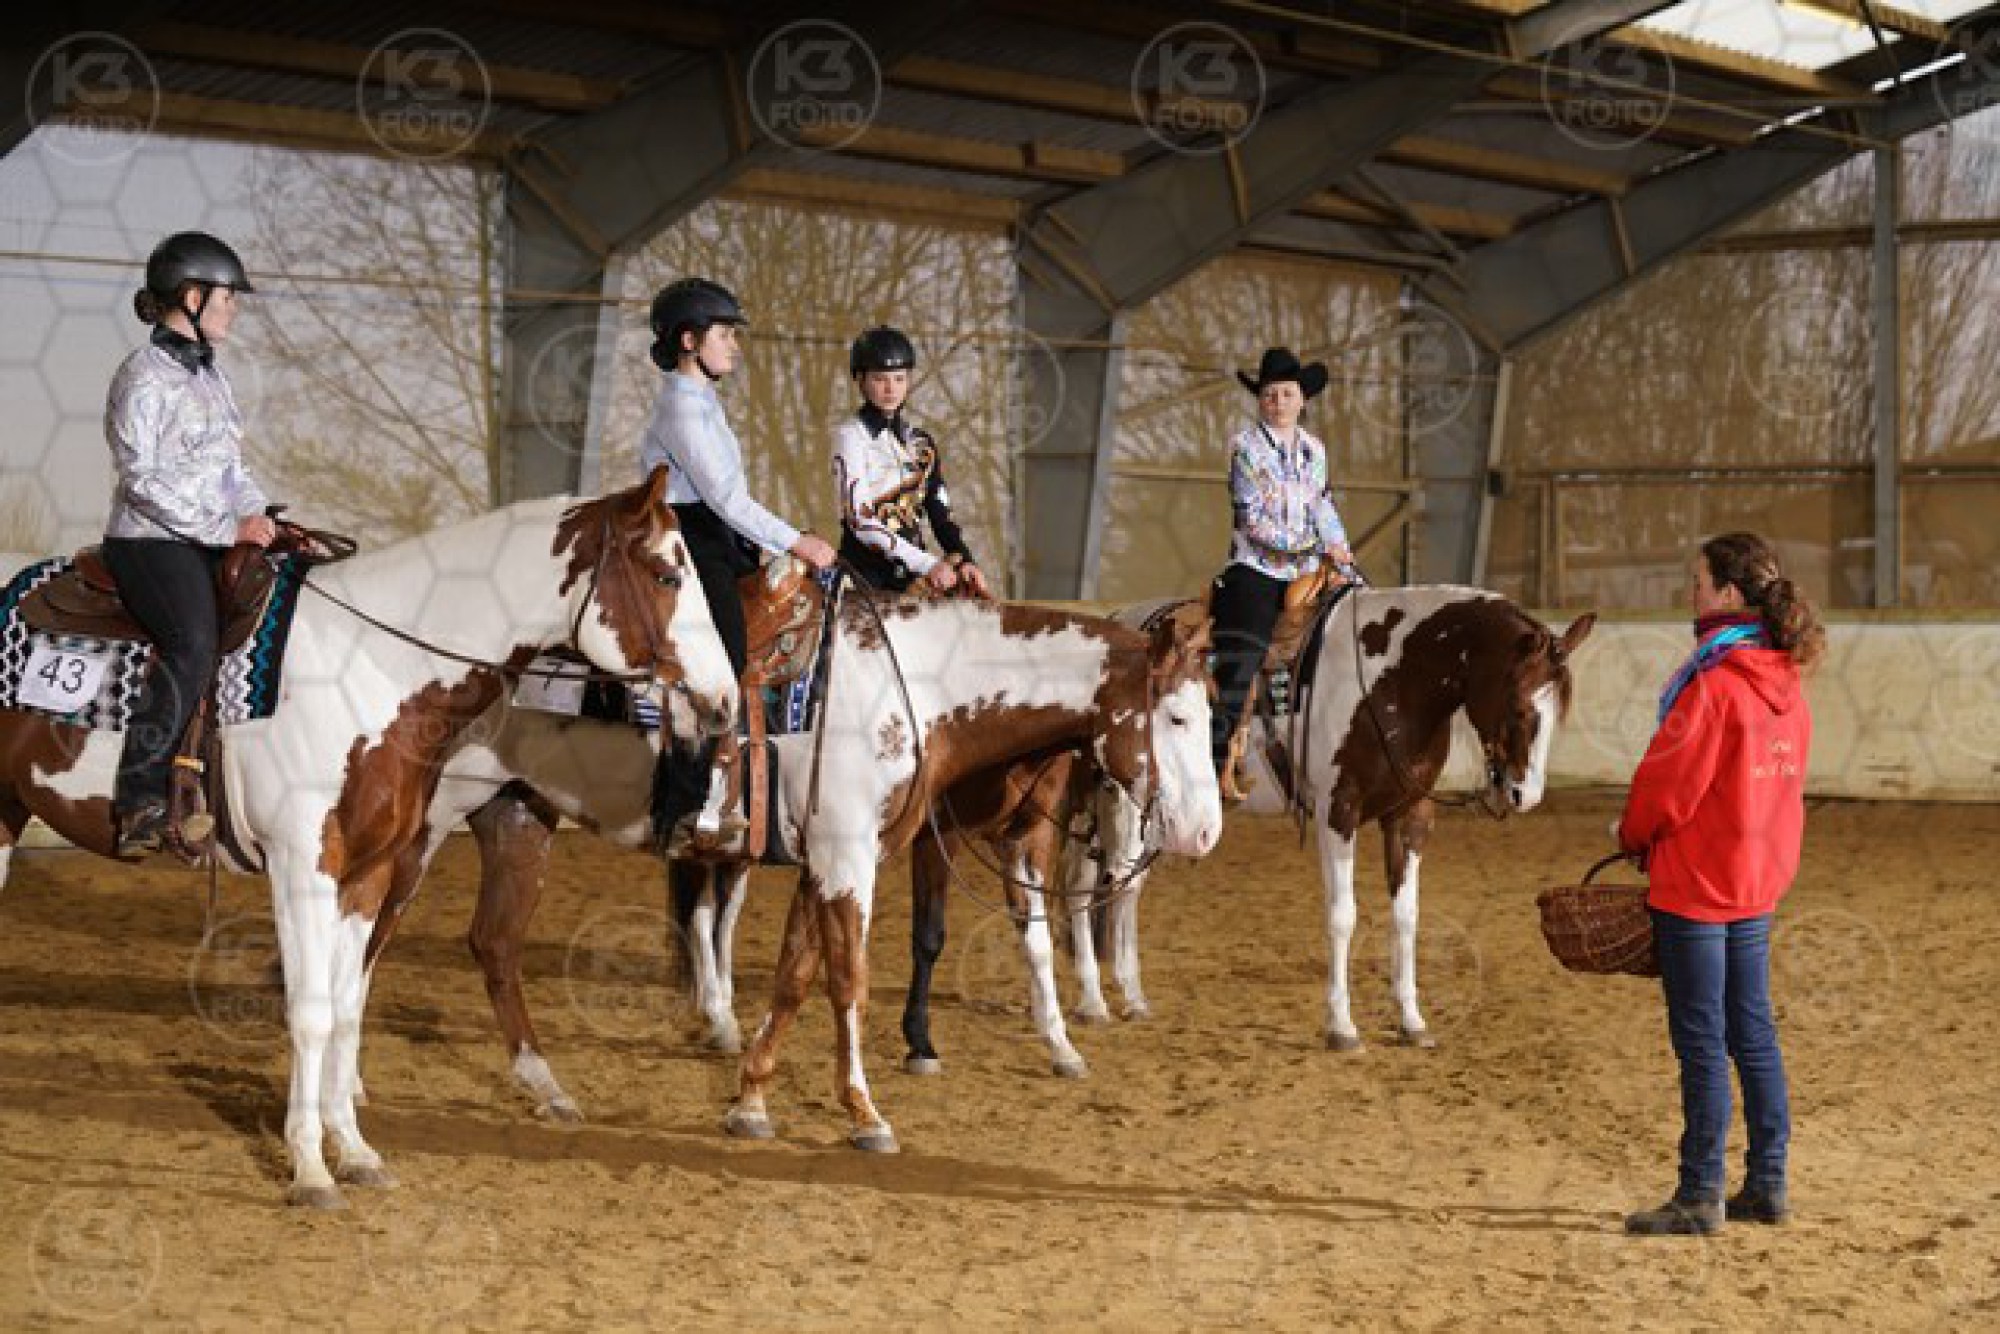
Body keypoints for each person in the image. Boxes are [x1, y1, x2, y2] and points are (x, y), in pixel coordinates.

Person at [1619, 532, 1823, 1236]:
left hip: (1699, 885)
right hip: (1755, 884)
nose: (1691, 593)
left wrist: (1631, 837)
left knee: (1702, 1040)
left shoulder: (1713, 686)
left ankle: (1699, 1193)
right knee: (1753, 1032)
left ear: (1729, 594)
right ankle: (1767, 1182)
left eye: (1698, 582)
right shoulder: (1787, 685)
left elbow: (1665, 789)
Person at [637, 277, 834, 842]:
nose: (735, 346)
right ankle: (686, 806)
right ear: (690, 341)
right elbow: (725, 498)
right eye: (725, 334)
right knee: (720, 663)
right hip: (692, 542)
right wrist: (796, 541)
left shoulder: (704, 402)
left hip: (719, 538)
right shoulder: (682, 409)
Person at [104, 231, 276, 856]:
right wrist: (226, 529)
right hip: (149, 542)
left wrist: (257, 512)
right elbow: (141, 480)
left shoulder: (212, 377)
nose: (235, 310)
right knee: (193, 641)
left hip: (206, 537)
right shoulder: (141, 376)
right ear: (193, 297)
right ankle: (139, 800)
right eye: (228, 299)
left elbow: (232, 470)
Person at [1207, 346, 1352, 778]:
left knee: (1356, 624)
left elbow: (1322, 504)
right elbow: (1250, 519)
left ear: (1302, 399)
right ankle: (1215, 758)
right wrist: (1310, 545)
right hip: (1257, 568)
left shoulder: (1315, 450)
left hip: (1309, 569)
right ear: (1260, 400)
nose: (1279, 402)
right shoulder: (1245, 448)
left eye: (1287, 394)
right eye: (1270, 394)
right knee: (1244, 654)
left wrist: (1340, 550)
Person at [832, 325, 990, 598]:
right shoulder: (851, 437)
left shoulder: (921, 444)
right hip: (865, 579)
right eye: (880, 379)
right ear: (859, 379)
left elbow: (940, 515)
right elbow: (860, 521)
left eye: (899, 378)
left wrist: (964, 559)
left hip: (914, 578)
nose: (891, 388)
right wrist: (927, 564)